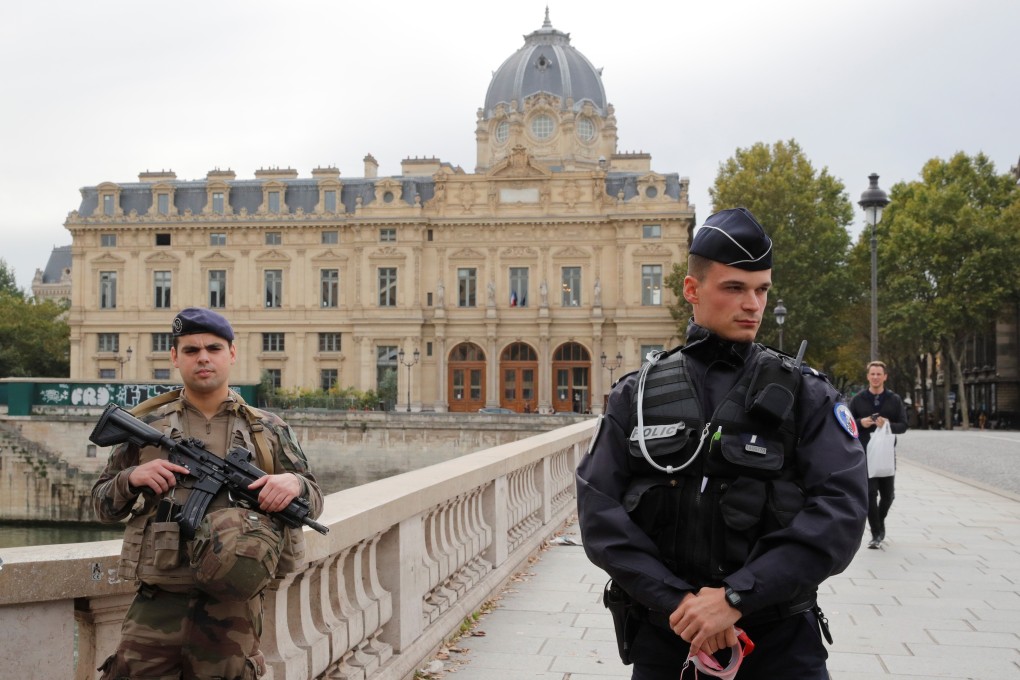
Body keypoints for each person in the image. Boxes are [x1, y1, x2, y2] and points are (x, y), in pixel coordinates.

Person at [576, 207, 868, 680]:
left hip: (779, 646)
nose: (753, 304)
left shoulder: (808, 395)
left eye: (762, 289)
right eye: (735, 288)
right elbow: (599, 512)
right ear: (692, 290)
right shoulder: (638, 394)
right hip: (667, 643)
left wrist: (736, 598)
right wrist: (684, 605)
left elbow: (841, 513)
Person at [91, 307, 324, 679]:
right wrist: (132, 478)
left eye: (214, 348)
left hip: (233, 612)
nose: (203, 357)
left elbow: (313, 495)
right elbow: (100, 505)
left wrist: (293, 484)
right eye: (191, 350)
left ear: (231, 354)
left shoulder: (267, 430)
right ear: (174, 357)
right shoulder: (146, 425)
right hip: (156, 604)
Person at [849, 361, 908, 549]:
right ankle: (876, 533)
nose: (875, 377)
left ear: (885, 377)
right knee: (870, 493)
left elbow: (904, 425)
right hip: (865, 453)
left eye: (878, 374)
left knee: (888, 495)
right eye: (872, 374)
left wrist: (887, 424)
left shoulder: (894, 399)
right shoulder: (858, 399)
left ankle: (879, 523)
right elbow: (846, 424)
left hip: (887, 453)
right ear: (867, 376)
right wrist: (861, 422)